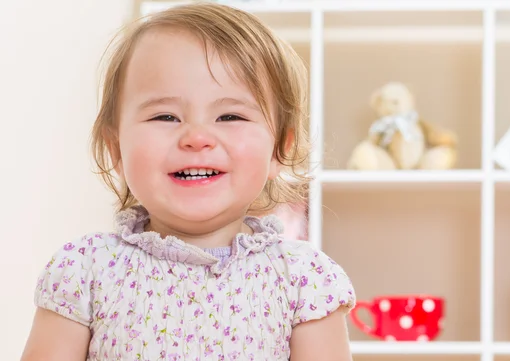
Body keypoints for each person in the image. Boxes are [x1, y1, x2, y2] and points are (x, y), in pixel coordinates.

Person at [20, 2, 356, 360]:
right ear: (115, 148)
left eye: (229, 115)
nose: (197, 137)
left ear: (279, 150)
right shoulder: (84, 270)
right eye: (165, 116)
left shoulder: (304, 280)